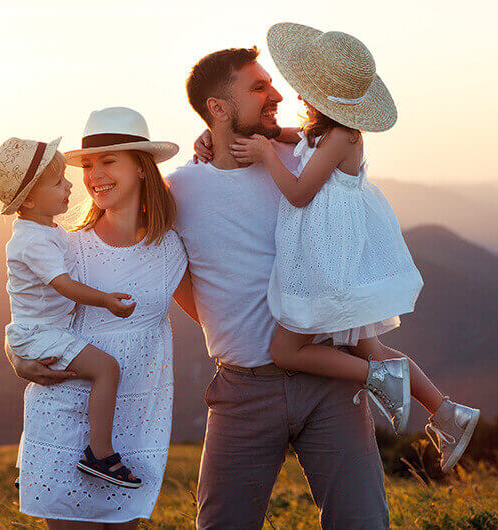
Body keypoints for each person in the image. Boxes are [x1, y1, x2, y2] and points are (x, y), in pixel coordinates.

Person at [195, 23, 480, 474]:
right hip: (329, 255)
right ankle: (448, 413)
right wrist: (214, 138)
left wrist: (268, 156)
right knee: (368, 343)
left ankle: (380, 382)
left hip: (325, 261)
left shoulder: (342, 136)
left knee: (292, 350)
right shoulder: (320, 131)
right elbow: (277, 135)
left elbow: (300, 193)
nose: (290, 95)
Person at [168, 45, 390, 528]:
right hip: (242, 390)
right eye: (259, 87)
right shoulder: (181, 189)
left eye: (270, 83)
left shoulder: (304, 156)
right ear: (219, 109)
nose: (278, 94)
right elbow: (172, 278)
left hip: (333, 382)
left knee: (363, 523)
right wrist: (226, 324)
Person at [6, 107, 194, 528]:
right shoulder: (70, 250)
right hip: (64, 419)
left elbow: (210, 313)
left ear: (143, 168)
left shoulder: (172, 250)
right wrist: (13, 355)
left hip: (137, 418)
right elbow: (27, 312)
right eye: (88, 164)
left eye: (109, 161)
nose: (94, 176)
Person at [0, 136, 143, 488]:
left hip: (40, 330)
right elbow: (63, 285)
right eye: (58, 182)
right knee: (106, 369)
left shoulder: (45, 230)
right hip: (39, 334)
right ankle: (100, 454)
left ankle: (33, 461)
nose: (70, 185)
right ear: (28, 198)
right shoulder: (33, 240)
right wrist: (105, 300)